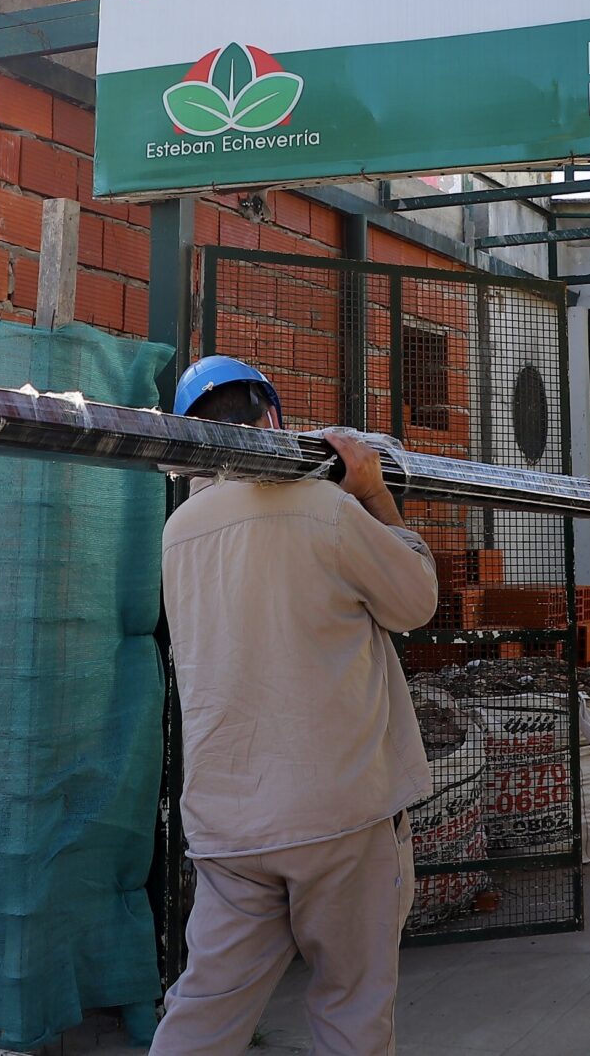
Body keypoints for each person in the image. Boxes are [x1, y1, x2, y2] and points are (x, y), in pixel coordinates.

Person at [151, 355, 438, 1056]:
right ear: (272, 419)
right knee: (352, 1010)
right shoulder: (327, 510)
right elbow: (415, 600)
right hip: (341, 813)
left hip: (231, 823)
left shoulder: (179, 533)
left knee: (203, 1016)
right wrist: (373, 491)